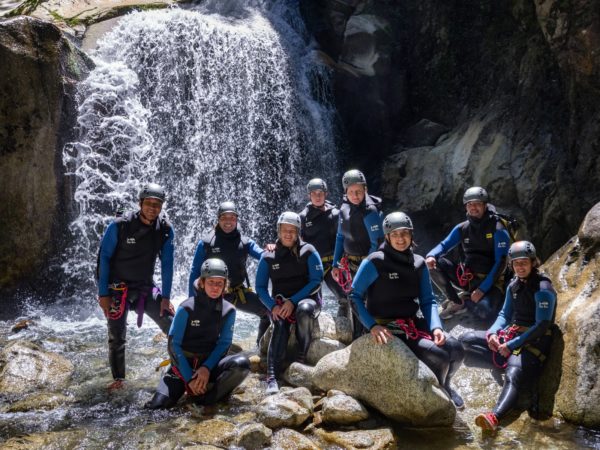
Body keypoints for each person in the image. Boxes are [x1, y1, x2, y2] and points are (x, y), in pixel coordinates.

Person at [349, 212, 465, 409]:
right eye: (395, 234)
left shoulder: (419, 263)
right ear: (387, 237)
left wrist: (436, 327)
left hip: (411, 321)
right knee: (441, 357)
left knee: (457, 349)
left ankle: (445, 384)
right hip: (387, 326)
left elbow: (428, 301)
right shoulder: (375, 261)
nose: (401, 238)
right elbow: (354, 296)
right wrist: (373, 326)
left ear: (411, 235)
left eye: (405, 233)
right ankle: (436, 393)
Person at [459, 241, 557, 431]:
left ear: (533, 263)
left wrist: (512, 345)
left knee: (512, 374)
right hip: (511, 337)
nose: (520, 267)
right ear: (511, 265)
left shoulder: (543, 289)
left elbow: (542, 325)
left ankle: (494, 418)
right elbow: (504, 314)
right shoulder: (514, 285)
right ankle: (502, 362)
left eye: (524, 263)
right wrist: (492, 334)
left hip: (534, 341)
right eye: (516, 263)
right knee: (465, 340)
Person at [97, 183, 175, 391]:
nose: (152, 208)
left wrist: (166, 297)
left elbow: (167, 265)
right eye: (149, 203)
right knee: (116, 335)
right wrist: (103, 293)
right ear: (140, 203)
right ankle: (119, 379)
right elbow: (103, 258)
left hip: (145, 288)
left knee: (172, 325)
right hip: (117, 289)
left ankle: (180, 368)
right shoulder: (120, 225)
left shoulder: (165, 230)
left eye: (157, 204)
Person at [145, 258, 250, 409]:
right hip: (182, 367)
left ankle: (206, 401)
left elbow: (224, 344)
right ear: (202, 282)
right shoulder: (186, 308)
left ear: (225, 285)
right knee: (156, 408)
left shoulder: (229, 311)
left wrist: (206, 368)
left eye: (219, 283)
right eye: (211, 282)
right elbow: (174, 345)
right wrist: (189, 379)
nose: (215, 287)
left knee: (242, 364)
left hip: (210, 365)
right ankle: (194, 389)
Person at [256, 211, 324, 394]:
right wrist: (273, 307)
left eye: (292, 231)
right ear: (278, 231)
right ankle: (272, 376)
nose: (288, 234)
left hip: (307, 299)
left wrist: (293, 301)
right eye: (285, 230)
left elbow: (316, 281)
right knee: (279, 322)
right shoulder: (269, 256)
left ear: (298, 232)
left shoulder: (308, 251)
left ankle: (301, 355)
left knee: (304, 309)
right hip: (280, 303)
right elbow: (260, 287)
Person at [189, 201, 270, 346]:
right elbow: (194, 273)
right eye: (224, 218)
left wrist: (272, 249)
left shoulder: (245, 242)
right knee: (211, 325)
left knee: (266, 311)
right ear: (218, 219)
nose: (228, 222)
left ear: (237, 220)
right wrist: (191, 302)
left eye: (232, 218)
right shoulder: (206, 243)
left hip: (238, 293)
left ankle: (261, 348)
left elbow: (263, 255)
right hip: (213, 294)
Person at [425, 186, 510, 321]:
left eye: (477, 204)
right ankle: (456, 301)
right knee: (433, 264)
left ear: (485, 205)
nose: (473, 207)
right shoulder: (463, 228)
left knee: (485, 313)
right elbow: (444, 245)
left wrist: (482, 289)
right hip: (468, 278)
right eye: (469, 204)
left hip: (493, 282)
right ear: (466, 207)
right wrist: (430, 255)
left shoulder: (498, 228)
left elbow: (501, 262)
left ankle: (466, 298)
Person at [331, 169, 383, 338]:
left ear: (365, 190)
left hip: (368, 263)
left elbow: (377, 243)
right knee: (354, 300)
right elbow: (340, 237)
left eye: (359, 191)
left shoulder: (371, 212)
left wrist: (365, 266)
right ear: (346, 191)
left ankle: (370, 335)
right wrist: (335, 264)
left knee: (366, 300)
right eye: (351, 192)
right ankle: (357, 337)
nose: (355, 195)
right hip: (350, 263)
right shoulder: (344, 208)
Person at [299, 178, 348, 317]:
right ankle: (314, 328)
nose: (318, 196)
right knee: (314, 303)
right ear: (309, 196)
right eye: (314, 193)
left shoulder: (336, 214)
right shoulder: (303, 217)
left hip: (333, 264)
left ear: (326, 194)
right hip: (313, 266)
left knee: (344, 297)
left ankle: (344, 327)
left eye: (320, 193)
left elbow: (345, 238)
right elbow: (293, 240)